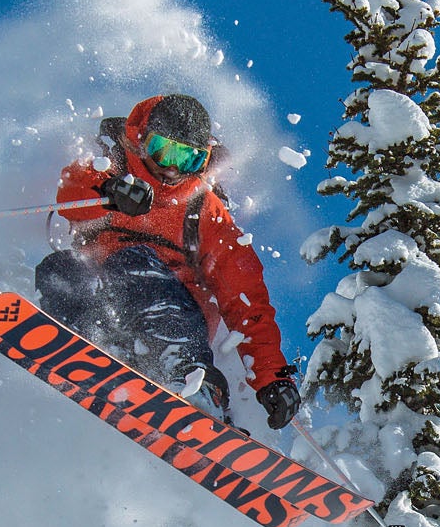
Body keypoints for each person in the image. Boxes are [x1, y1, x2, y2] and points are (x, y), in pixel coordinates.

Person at [37, 92, 302, 430]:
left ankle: (194, 383)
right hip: (109, 303)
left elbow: (245, 296)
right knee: (61, 270)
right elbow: (70, 192)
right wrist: (110, 192)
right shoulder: (113, 166)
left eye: (189, 159)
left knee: (133, 260)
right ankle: (87, 350)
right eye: (165, 151)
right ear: (142, 140)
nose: (173, 169)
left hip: (175, 316)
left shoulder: (203, 210)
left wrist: (271, 377)